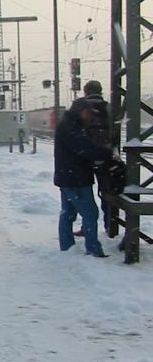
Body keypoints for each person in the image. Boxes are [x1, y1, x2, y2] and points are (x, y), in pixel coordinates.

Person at [54, 97, 113, 257]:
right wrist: (108, 154)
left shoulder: (69, 125)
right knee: (90, 213)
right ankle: (93, 249)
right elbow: (84, 149)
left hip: (67, 177)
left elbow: (83, 148)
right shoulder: (71, 128)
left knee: (67, 213)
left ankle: (67, 247)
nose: (89, 116)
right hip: (76, 179)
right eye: (88, 112)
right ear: (80, 111)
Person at [73, 80, 113, 235]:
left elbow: (72, 130)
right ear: (100, 91)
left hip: (84, 157)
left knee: (85, 194)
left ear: (86, 91)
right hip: (104, 156)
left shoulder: (79, 107)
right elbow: (114, 129)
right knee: (107, 193)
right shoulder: (108, 107)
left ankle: (87, 227)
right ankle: (110, 226)